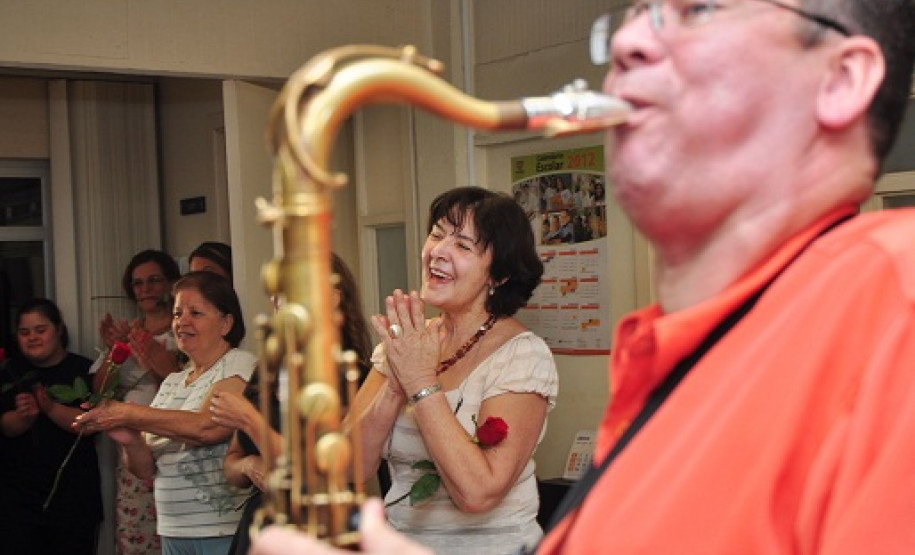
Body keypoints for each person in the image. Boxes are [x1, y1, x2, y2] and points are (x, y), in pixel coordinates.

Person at [251, 0, 915, 553]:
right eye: (633, 13)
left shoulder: (893, 308)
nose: (626, 40)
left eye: (698, 10)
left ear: (839, 79)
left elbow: (480, 490)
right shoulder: (671, 349)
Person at [346, 186, 558, 554]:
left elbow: (478, 493)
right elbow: (347, 468)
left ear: (500, 275)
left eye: (463, 245)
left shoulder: (522, 356)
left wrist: (419, 381)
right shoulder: (404, 344)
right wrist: (396, 385)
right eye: (437, 235)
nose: (438, 252)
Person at [74, 271, 257, 554]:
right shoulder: (173, 381)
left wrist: (129, 414)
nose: (182, 322)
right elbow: (144, 468)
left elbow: (207, 428)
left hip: (221, 529)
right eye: (177, 313)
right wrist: (130, 440)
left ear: (226, 322)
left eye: (195, 313)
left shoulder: (239, 364)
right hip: (172, 528)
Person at [209, 252, 376, 555]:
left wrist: (250, 420)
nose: (278, 303)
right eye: (275, 294)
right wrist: (249, 464)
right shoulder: (268, 372)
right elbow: (232, 463)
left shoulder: (354, 378)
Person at [91, 249, 182, 554]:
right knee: (136, 537)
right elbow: (100, 390)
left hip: (176, 446)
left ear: (171, 284)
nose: (145, 289)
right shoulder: (127, 332)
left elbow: (186, 386)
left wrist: (157, 361)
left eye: (154, 280)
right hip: (133, 450)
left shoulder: (184, 331)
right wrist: (116, 350)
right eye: (138, 283)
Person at [0, 298, 102, 554]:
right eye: (24, 332)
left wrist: (51, 408)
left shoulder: (85, 369)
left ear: (58, 329)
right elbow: (5, 426)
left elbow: (92, 424)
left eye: (40, 330)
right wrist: (25, 417)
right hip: (19, 501)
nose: (32, 337)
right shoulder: (9, 371)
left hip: (74, 500)